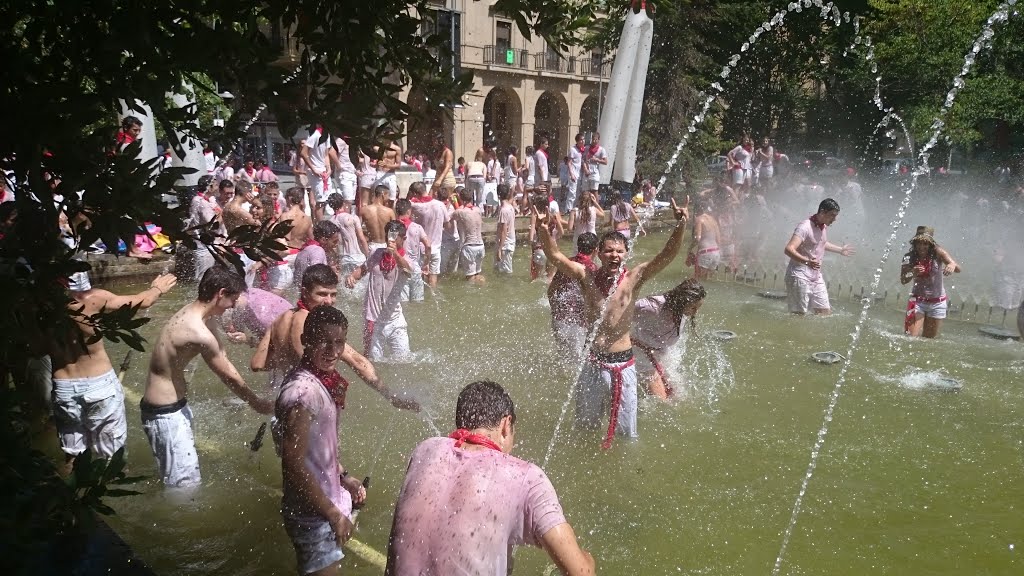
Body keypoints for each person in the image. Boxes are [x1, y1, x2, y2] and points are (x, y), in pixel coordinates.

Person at [384, 380, 595, 576]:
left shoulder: (425, 450)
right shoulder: (527, 478)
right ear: (506, 425)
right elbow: (580, 572)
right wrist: (589, 560)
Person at [276, 306, 419, 576]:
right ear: (306, 339)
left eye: (339, 342)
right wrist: (333, 515)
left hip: (324, 503)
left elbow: (317, 450)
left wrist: (344, 477)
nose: (332, 350)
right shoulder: (302, 394)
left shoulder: (321, 380)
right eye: (323, 341)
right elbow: (293, 465)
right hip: (313, 515)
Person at [536, 197, 689, 448]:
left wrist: (681, 225)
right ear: (599, 253)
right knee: (585, 428)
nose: (614, 255)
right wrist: (544, 232)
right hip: (593, 362)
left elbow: (667, 255)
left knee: (626, 434)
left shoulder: (633, 279)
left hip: (623, 366)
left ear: (626, 254)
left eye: (619, 251)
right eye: (608, 251)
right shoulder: (586, 276)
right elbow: (555, 257)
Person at [142, 267, 274, 488]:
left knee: (176, 477)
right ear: (220, 293)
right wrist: (257, 403)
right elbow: (226, 374)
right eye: (232, 299)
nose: (234, 305)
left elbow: (223, 356)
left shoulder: (201, 314)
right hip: (165, 414)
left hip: (170, 408)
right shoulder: (197, 331)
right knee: (184, 486)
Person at [49, 271, 176, 470]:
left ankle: (68, 499)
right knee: (111, 457)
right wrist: (157, 288)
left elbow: (36, 348)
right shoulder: (90, 299)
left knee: (72, 456)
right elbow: (142, 301)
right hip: (99, 385)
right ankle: (106, 496)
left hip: (63, 387)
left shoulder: (31, 310)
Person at [252, 264, 340, 392]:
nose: (329, 301)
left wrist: (285, 359)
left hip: (283, 392)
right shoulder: (317, 324)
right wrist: (380, 387)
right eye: (322, 294)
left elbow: (257, 365)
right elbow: (358, 362)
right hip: (308, 394)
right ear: (304, 292)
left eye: (333, 295)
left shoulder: (278, 320)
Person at [346, 220, 414, 360]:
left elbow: (408, 270)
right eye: (388, 237)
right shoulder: (376, 253)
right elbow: (363, 269)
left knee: (405, 361)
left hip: (395, 320)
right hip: (374, 320)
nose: (391, 241)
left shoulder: (407, 258)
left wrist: (395, 253)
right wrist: (352, 276)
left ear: (403, 238)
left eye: (395, 237)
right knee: (373, 363)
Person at [632, 279, 706, 400]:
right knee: (663, 402)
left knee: (678, 396)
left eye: (698, 308)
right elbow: (619, 313)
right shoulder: (653, 307)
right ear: (682, 301)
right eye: (693, 308)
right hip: (641, 354)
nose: (695, 313)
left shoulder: (680, 310)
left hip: (660, 353)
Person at [782, 198, 855, 316]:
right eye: (832, 215)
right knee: (798, 315)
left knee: (824, 313)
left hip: (815, 276)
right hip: (799, 276)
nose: (835, 219)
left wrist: (840, 250)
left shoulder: (823, 226)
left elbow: (821, 242)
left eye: (836, 216)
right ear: (822, 212)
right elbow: (789, 249)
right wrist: (807, 261)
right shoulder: (804, 227)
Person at [547, 232, 599, 365]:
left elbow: (552, 290)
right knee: (578, 363)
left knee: (564, 358)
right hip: (579, 323)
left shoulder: (567, 265)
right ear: (596, 250)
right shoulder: (592, 269)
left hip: (560, 319)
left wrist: (555, 311)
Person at [900, 226, 960, 338]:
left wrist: (952, 265)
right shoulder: (908, 257)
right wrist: (913, 272)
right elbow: (903, 280)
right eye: (919, 243)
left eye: (925, 244)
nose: (921, 247)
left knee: (928, 341)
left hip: (937, 302)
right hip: (917, 301)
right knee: (909, 338)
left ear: (930, 244)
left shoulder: (938, 252)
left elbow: (958, 269)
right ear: (915, 243)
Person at [409, 181, 447, 289]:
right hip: (435, 247)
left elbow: (403, 206)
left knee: (419, 277)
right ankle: (433, 298)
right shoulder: (440, 205)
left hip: (420, 248)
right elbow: (447, 224)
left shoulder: (415, 206)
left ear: (415, 194)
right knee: (433, 276)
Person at [326, 194, 369, 279]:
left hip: (344, 259)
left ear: (331, 206)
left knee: (348, 286)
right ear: (343, 203)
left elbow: (331, 246)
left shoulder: (331, 222)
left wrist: (336, 260)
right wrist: (369, 255)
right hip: (358, 257)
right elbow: (361, 238)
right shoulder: (353, 218)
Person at [395, 198, 430, 302]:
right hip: (415, 268)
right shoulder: (417, 227)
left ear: (396, 211)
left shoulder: (393, 227)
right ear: (409, 211)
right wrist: (426, 263)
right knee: (418, 303)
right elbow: (428, 246)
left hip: (401, 268)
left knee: (403, 304)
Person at [292, 220, 341, 290]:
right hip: (311, 293)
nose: (336, 244)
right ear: (323, 240)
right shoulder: (318, 251)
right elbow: (316, 277)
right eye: (334, 241)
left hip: (301, 290)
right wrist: (332, 274)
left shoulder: (307, 248)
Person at [453, 187, 486, 284]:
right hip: (480, 245)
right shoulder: (478, 210)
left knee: (470, 277)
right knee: (478, 274)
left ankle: (472, 294)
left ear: (460, 198)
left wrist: (453, 202)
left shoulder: (461, 211)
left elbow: (448, 218)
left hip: (469, 246)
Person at [686, 196, 720, 280]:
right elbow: (719, 240)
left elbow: (698, 238)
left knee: (696, 280)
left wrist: (689, 249)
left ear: (697, 209)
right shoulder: (713, 220)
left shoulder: (699, 219)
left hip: (705, 253)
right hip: (716, 253)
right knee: (706, 281)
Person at [362, 185, 396, 253]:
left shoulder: (364, 210)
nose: (388, 198)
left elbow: (358, 230)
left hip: (371, 246)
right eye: (388, 195)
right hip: (385, 246)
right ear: (383, 194)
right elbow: (394, 232)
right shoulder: (389, 212)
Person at [494, 184, 516, 274]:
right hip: (509, 242)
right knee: (499, 271)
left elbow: (504, 231)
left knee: (506, 273)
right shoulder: (510, 207)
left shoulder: (503, 210)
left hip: (505, 245)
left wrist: (500, 249)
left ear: (498, 195)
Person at [333, 136, 358, 205]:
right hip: (344, 173)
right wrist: (338, 165)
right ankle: (345, 215)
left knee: (351, 201)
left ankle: (350, 215)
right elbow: (332, 152)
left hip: (352, 173)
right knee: (348, 200)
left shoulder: (352, 142)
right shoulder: (341, 140)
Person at [566, 133, 585, 212]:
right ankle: (568, 209)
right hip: (573, 174)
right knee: (572, 192)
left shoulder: (581, 150)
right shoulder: (573, 149)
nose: (583, 141)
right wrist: (572, 174)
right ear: (577, 141)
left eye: (583, 139)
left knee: (577, 192)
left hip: (578, 174)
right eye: (581, 140)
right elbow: (569, 163)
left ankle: (574, 207)